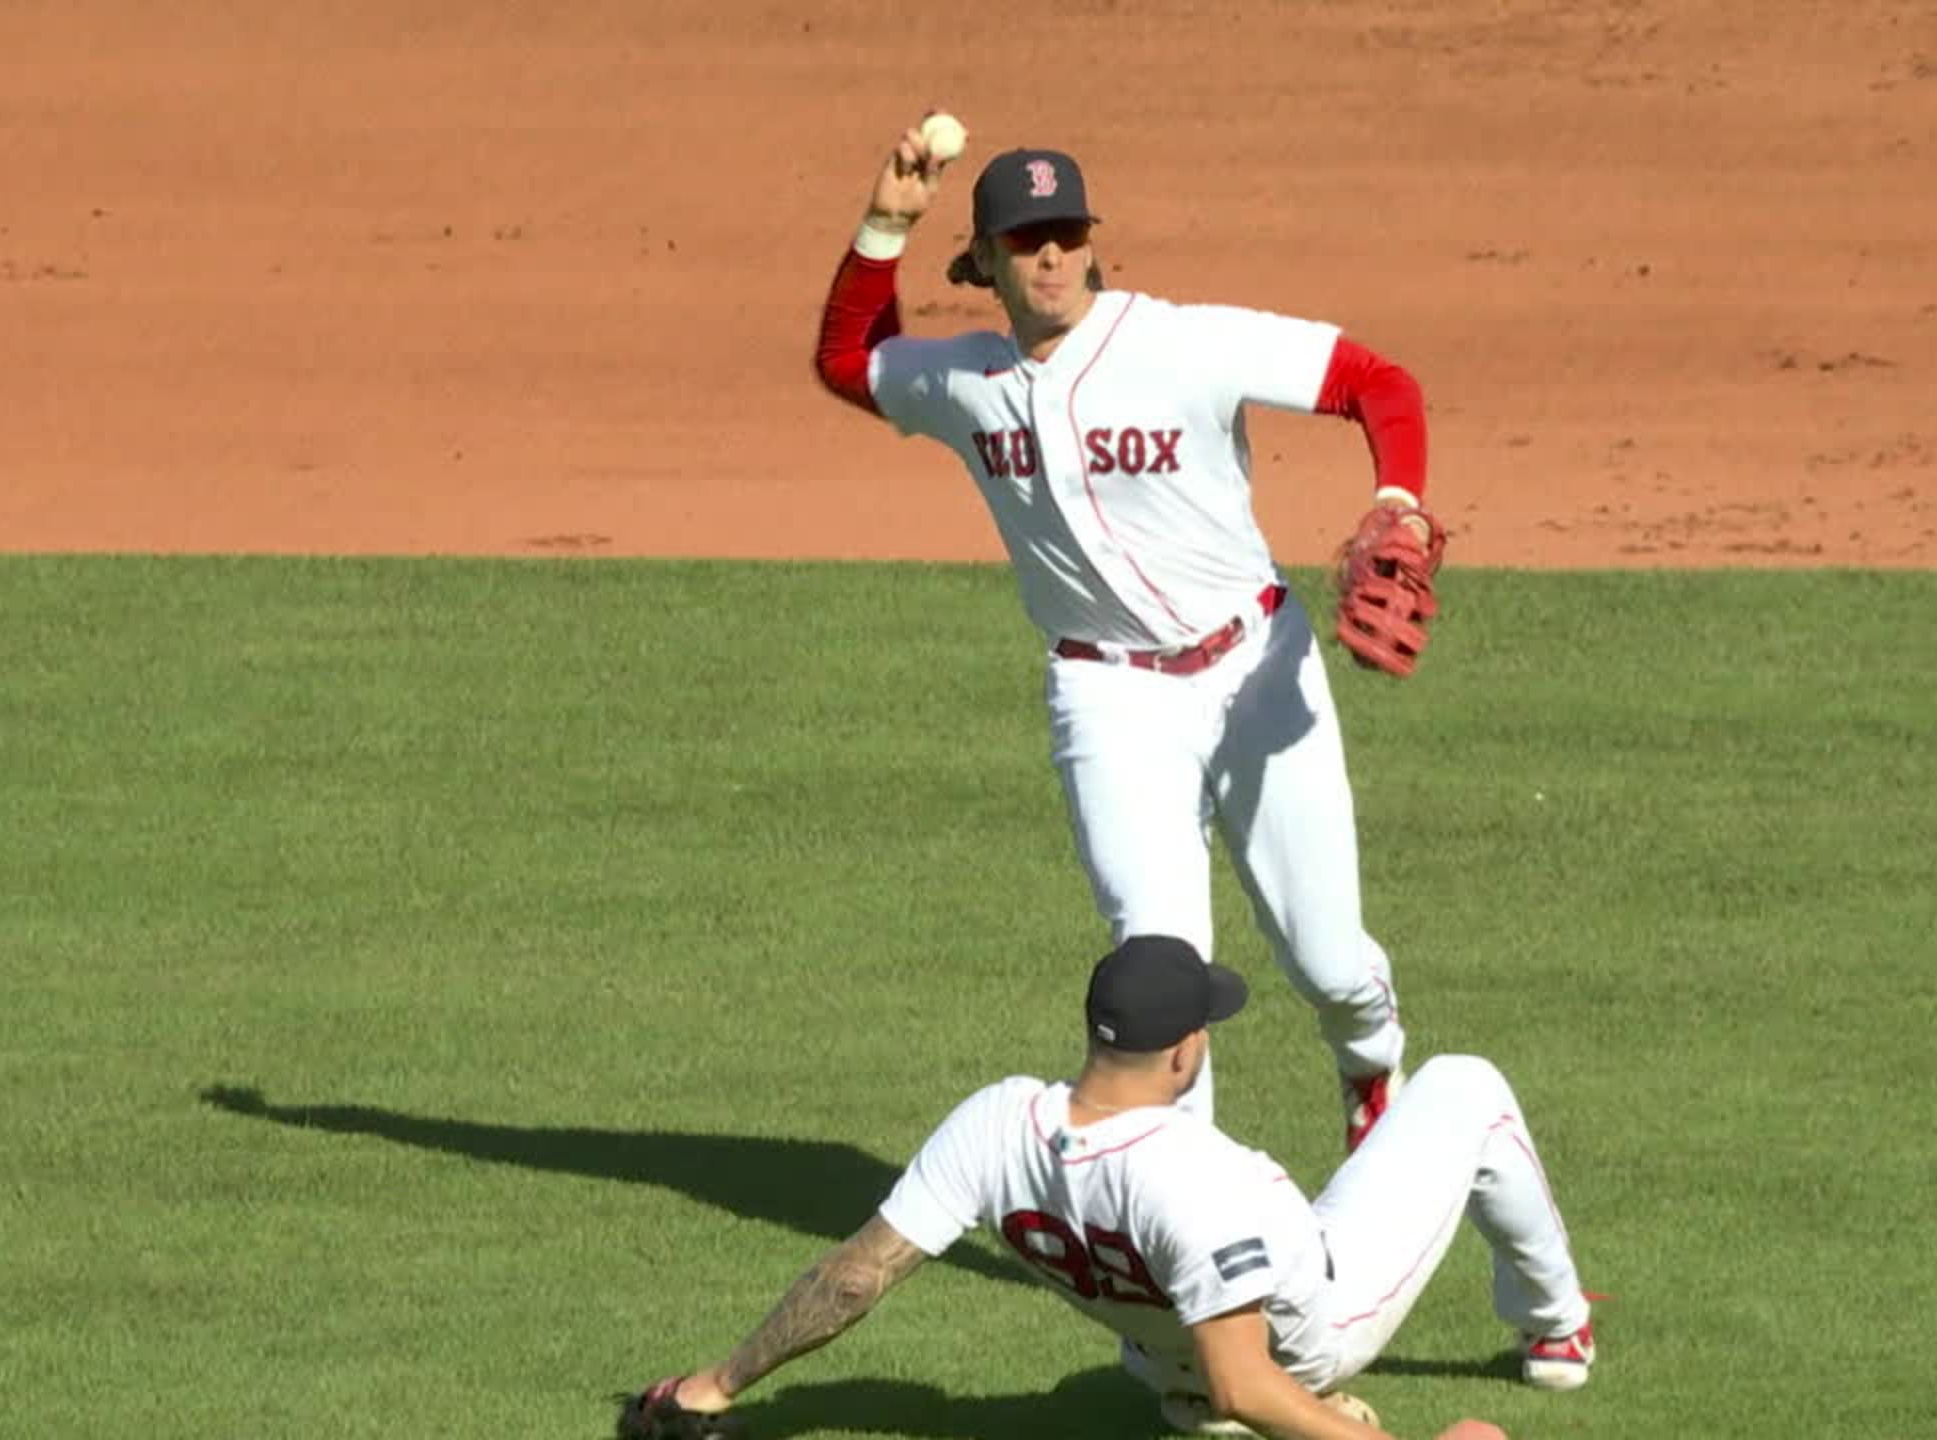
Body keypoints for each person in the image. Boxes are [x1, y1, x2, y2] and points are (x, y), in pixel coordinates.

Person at [813, 117, 1453, 1150]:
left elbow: (1377, 382)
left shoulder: (1181, 341)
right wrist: (883, 227)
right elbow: (852, 361)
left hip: (1255, 671)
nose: (1052, 254)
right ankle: (1179, 1257)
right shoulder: (966, 382)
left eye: (1066, 230)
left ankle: (1371, 1065)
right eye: (1025, 239)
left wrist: (1402, 502)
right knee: (1159, 979)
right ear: (981, 262)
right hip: (1110, 699)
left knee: (1329, 963)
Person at [618, 935, 1598, 1440]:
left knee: (1202, 1362)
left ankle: (1192, 1408)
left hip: (1154, 1360)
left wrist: (711, 1387)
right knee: (1463, 1087)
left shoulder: (995, 1121)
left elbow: (853, 1278)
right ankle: (1555, 1328)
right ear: (1184, 1052)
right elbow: (1242, 1375)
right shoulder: (1194, 1178)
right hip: (1312, 1328)